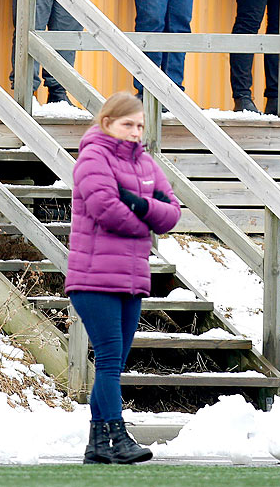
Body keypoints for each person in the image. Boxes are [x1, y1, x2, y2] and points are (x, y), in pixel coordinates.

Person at [65, 92, 182, 464]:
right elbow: (106, 209)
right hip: (94, 279)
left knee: (112, 365)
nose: (134, 132)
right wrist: (145, 220)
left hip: (132, 279)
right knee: (111, 360)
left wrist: (141, 204)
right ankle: (118, 437)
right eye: (127, 124)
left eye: (140, 126)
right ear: (107, 123)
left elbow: (172, 212)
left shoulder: (146, 164)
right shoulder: (92, 157)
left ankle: (97, 447)